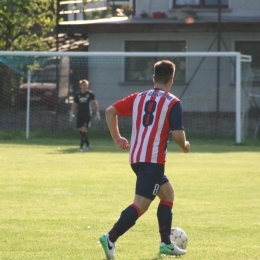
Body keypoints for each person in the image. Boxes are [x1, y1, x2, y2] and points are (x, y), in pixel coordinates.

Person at [99, 60, 190, 259]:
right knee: (141, 204)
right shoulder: (173, 102)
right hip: (153, 160)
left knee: (167, 195)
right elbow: (177, 135)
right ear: (172, 79)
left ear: (154, 78)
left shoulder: (139, 97)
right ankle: (110, 237)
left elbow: (110, 111)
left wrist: (117, 137)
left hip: (136, 158)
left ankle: (166, 243)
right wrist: (185, 145)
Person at [70, 79, 100, 152]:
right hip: (80, 113)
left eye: (86, 85)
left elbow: (95, 103)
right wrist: (71, 113)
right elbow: (75, 104)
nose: (85, 86)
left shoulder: (90, 94)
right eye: (83, 85)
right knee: (81, 130)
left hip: (87, 113)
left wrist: (97, 113)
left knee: (84, 129)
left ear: (88, 86)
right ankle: (88, 145)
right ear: (80, 86)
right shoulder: (78, 95)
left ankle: (81, 147)